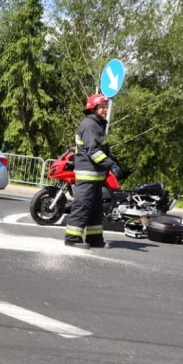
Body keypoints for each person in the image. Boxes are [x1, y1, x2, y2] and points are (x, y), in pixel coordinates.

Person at [65, 93, 123, 249]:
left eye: (106, 107)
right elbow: (94, 151)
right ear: (93, 108)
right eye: (102, 107)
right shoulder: (90, 125)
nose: (105, 110)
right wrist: (111, 165)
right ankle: (72, 238)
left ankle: (95, 239)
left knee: (96, 210)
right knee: (82, 206)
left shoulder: (97, 125)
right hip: (87, 175)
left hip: (96, 177)